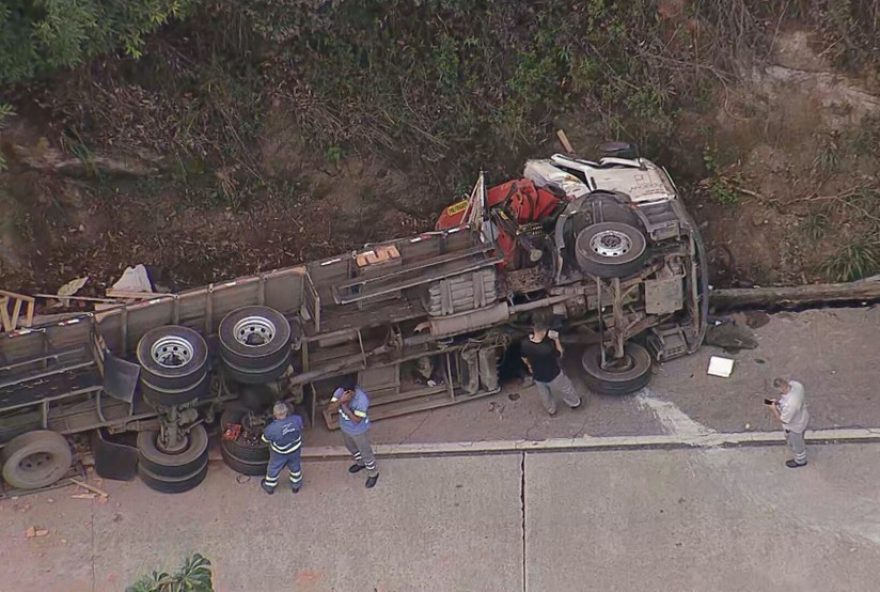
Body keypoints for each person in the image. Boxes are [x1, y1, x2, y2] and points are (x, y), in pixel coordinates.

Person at [520, 314, 582, 415]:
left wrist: (529, 366)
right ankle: (575, 403)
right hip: (554, 375)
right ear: (544, 331)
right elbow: (560, 354)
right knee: (566, 388)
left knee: (545, 395)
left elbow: (524, 357)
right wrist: (556, 339)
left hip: (538, 376)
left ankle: (551, 410)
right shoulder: (547, 349)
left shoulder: (525, 344)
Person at [328, 378, 379, 488]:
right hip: (345, 428)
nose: (342, 393)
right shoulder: (340, 392)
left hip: (359, 431)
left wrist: (345, 407)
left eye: (346, 393)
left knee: (365, 451)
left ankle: (373, 473)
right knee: (351, 447)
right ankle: (360, 463)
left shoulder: (362, 399)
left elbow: (356, 420)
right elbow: (330, 409)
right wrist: (340, 401)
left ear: (351, 392)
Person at [260, 402, 304, 494]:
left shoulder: (271, 429)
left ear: (275, 414)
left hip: (279, 453)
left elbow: (265, 440)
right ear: (286, 411)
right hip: (295, 450)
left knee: (274, 468)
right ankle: (296, 486)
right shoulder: (297, 419)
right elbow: (301, 428)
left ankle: (269, 487)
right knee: (295, 467)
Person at [766, 377, 810, 468]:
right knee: (800, 437)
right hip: (803, 417)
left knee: (797, 445)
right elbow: (786, 402)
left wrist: (773, 409)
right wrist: (779, 403)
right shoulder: (797, 385)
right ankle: (799, 447)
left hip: (795, 427)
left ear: (781, 388)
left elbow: (783, 420)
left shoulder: (790, 405)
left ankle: (801, 460)